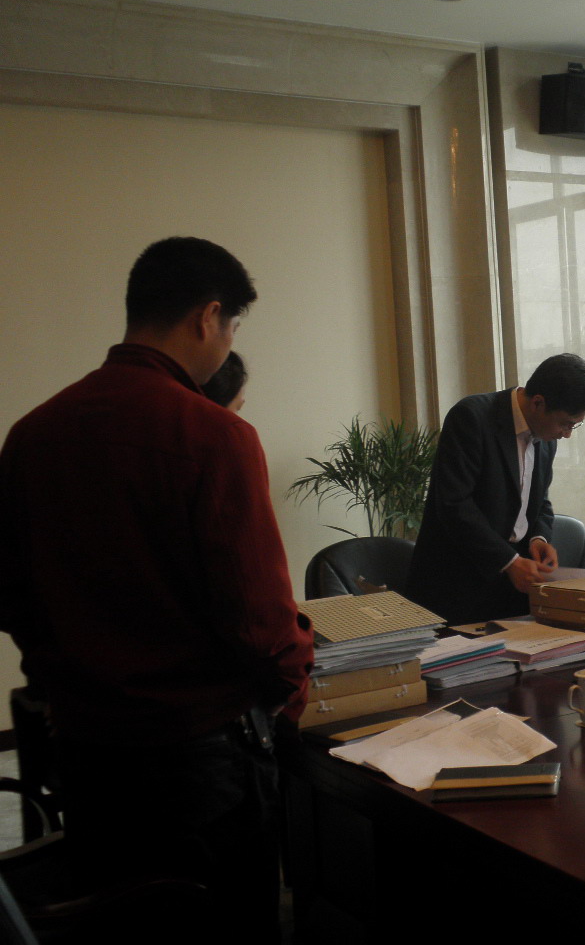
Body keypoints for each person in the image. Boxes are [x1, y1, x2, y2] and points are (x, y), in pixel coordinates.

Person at [0, 237, 313, 944]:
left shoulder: (32, 434)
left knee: (122, 925)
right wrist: (292, 687)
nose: (227, 343)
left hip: (86, 752)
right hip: (200, 760)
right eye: (232, 326)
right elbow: (259, 620)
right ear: (208, 316)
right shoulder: (215, 436)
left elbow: (11, 594)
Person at [405, 352, 585, 623]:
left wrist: (538, 538)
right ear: (538, 403)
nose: (567, 434)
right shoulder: (472, 417)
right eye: (565, 424)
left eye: (574, 426)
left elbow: (539, 501)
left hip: (510, 590)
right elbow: (454, 504)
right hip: (456, 585)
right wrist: (509, 562)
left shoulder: (546, 437)